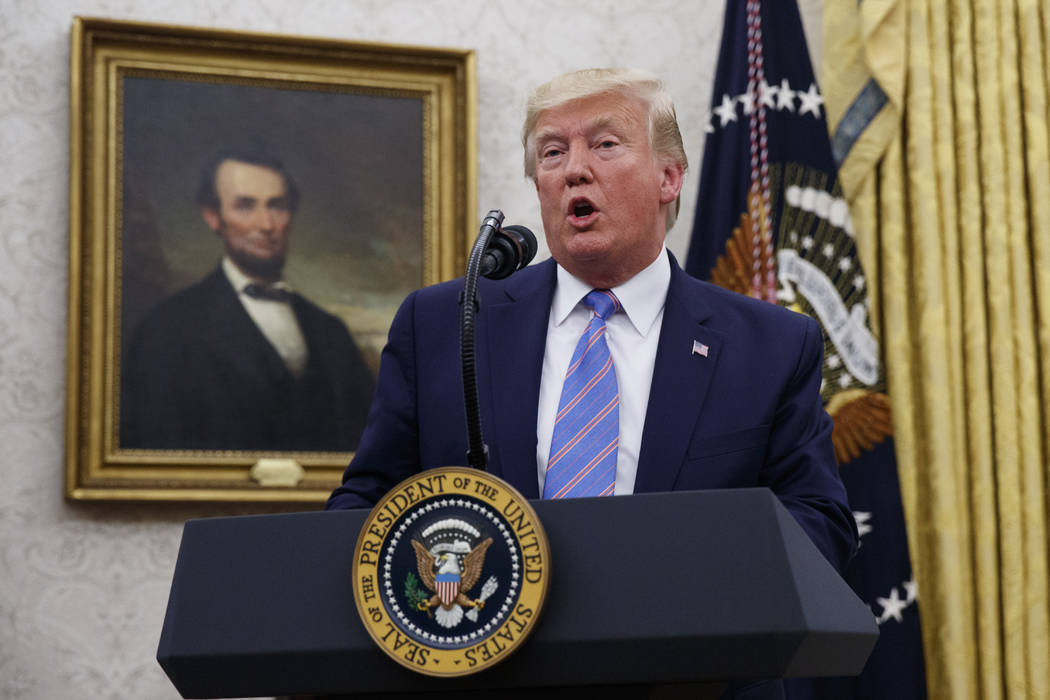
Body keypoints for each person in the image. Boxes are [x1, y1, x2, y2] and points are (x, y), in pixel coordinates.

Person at [327, 67, 854, 565]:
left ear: (669, 177)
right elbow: (367, 502)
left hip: (683, 651)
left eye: (604, 145)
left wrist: (692, 570)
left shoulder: (771, 347)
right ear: (539, 186)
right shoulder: (446, 323)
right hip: (483, 648)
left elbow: (820, 522)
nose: (575, 169)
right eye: (552, 153)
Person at [121, 145, 375, 451]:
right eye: (245, 206)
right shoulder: (167, 330)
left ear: (291, 215)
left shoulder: (331, 332)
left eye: (277, 206)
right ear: (213, 216)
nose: (266, 225)